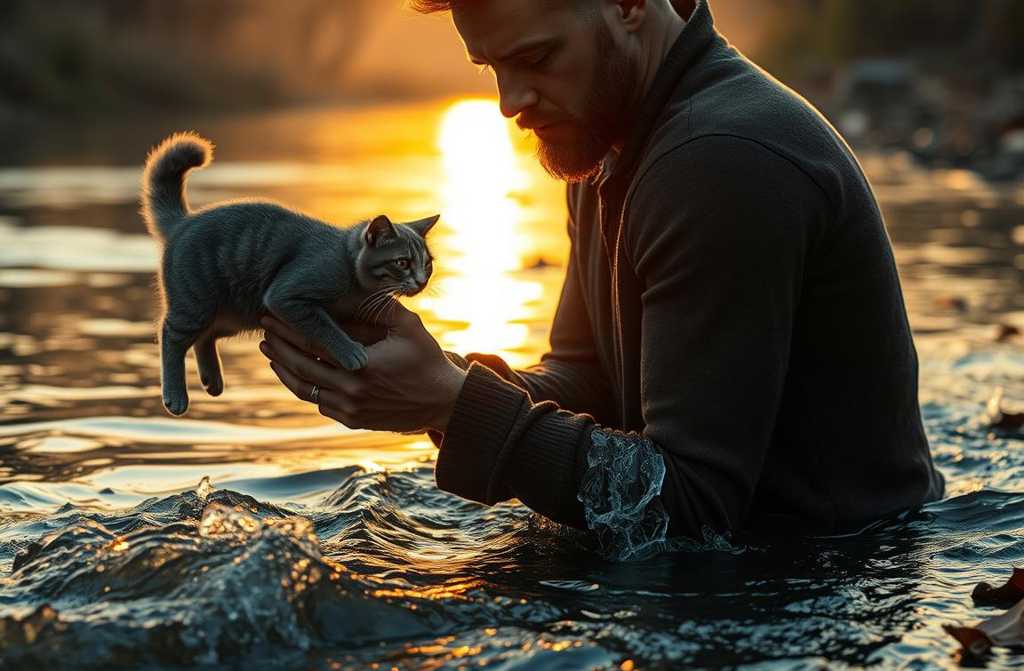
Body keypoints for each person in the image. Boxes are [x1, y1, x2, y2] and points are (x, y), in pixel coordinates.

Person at [259, 0, 945, 549]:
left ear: (629, 4)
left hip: (838, 576)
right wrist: (438, 378)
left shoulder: (721, 163)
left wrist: (451, 404)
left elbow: (689, 511)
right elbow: (589, 382)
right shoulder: (606, 136)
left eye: (535, 58)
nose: (509, 102)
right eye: (490, 66)